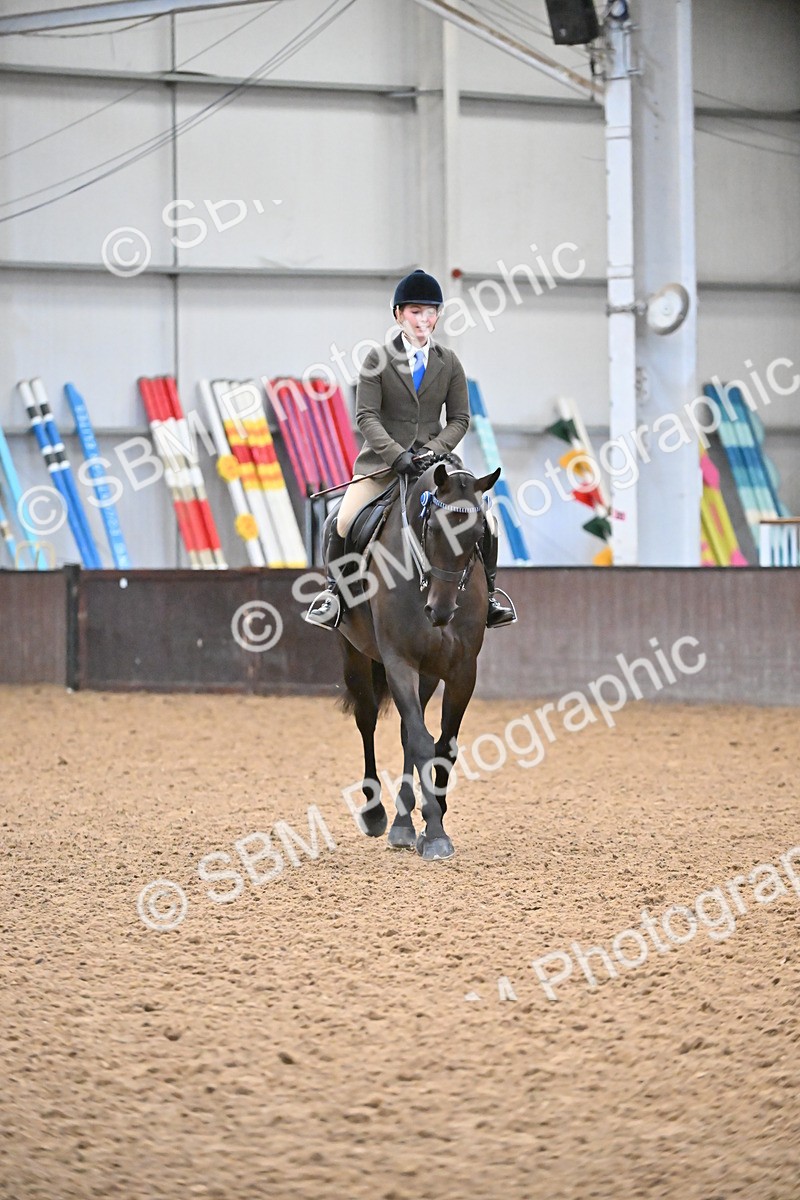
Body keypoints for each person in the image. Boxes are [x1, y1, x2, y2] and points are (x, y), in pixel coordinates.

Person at [304, 269, 516, 629]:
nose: (423, 319)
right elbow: (366, 416)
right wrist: (396, 456)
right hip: (384, 464)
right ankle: (334, 596)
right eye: (415, 311)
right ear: (399, 314)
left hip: (439, 467)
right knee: (338, 521)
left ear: (438, 316)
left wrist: (433, 451)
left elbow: (460, 419)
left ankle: (491, 596)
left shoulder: (449, 363)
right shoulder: (378, 360)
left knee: (488, 522)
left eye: (430, 312)